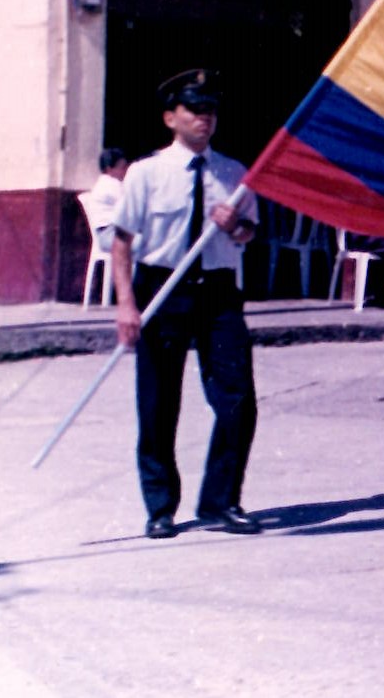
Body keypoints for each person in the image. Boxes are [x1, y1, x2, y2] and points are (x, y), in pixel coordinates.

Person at [110, 69, 261, 539]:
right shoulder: (146, 173)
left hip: (217, 291)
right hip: (161, 287)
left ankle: (220, 502)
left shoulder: (234, 174)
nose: (204, 118)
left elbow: (248, 234)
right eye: (194, 110)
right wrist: (126, 306)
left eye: (210, 110)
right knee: (158, 403)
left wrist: (235, 224)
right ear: (170, 117)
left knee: (238, 400)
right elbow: (121, 243)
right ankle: (160, 507)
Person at [81, 147, 130, 252]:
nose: (126, 171)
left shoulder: (110, 183)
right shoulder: (110, 185)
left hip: (113, 233)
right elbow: (130, 208)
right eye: (122, 167)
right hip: (109, 236)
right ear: (109, 169)